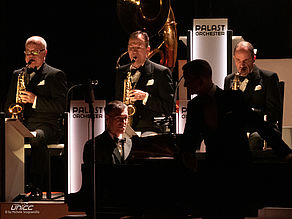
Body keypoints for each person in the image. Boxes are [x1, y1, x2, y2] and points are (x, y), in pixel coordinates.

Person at [181, 59, 292, 219]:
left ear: (201, 79)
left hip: (237, 171)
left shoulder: (233, 98)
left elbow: (260, 125)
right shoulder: (195, 106)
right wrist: (187, 152)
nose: (185, 85)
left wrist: (285, 152)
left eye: (188, 79)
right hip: (213, 174)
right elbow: (190, 136)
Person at [4, 36, 67, 200]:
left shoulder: (55, 75)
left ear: (44, 53)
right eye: (27, 52)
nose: (30, 56)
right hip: (22, 123)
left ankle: (36, 184)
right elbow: (9, 103)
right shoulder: (18, 74)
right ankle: (8, 186)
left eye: (34, 52)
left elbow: (61, 106)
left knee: (37, 137)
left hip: (48, 126)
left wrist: (35, 100)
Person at [224, 41, 282, 151]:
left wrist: (250, 114)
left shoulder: (268, 78)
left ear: (254, 58)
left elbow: (274, 112)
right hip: (238, 128)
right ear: (233, 58)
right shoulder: (229, 79)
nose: (242, 65)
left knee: (255, 139)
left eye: (246, 60)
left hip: (261, 127)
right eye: (238, 60)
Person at [115, 30, 174, 135]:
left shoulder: (161, 72)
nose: (134, 51)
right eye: (131, 47)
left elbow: (168, 107)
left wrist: (145, 97)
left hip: (150, 128)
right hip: (125, 127)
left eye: (138, 47)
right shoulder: (121, 71)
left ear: (148, 50)